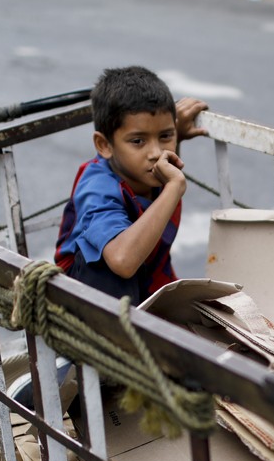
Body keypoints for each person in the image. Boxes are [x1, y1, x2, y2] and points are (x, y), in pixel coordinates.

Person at [54, 66, 209, 301]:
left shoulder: (147, 165)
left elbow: (154, 140)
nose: (156, 153)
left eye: (165, 136)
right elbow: (123, 262)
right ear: (104, 145)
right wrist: (174, 187)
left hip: (146, 279)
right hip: (88, 295)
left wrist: (175, 132)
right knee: (105, 258)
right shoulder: (98, 187)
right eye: (138, 140)